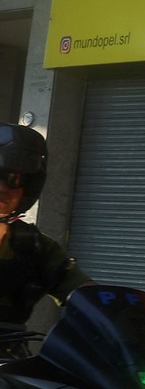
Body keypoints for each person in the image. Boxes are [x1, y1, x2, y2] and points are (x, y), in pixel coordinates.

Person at [0, 123, 89, 340]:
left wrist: (130, 317)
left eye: (14, 179)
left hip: (8, 364)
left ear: (29, 187)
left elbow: (89, 296)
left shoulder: (35, 248)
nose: (2, 187)